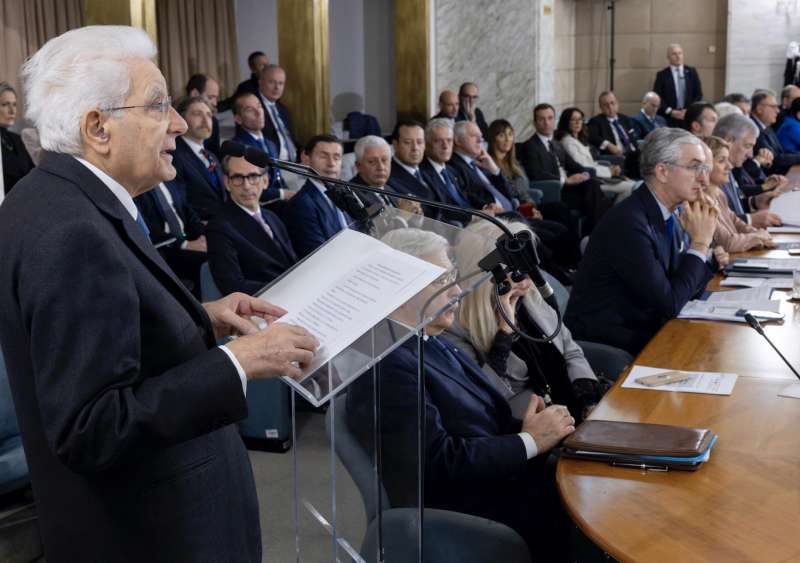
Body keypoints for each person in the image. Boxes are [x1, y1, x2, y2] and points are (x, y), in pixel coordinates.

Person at [0, 25, 318, 562]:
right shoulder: (72, 231)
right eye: (156, 106)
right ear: (97, 128)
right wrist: (237, 363)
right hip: (152, 534)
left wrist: (197, 317)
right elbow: (91, 426)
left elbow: (108, 330)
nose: (176, 123)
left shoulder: (54, 197)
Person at [346, 227, 576, 560]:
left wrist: (531, 430)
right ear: (399, 288)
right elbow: (437, 463)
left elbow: (481, 409)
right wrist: (530, 442)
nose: (457, 290)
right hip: (468, 503)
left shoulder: (430, 339)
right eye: (441, 281)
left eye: (453, 276)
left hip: (497, 473)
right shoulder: (388, 364)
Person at [565, 128, 717, 355]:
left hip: (648, 329)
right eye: (695, 167)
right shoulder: (629, 223)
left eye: (704, 168)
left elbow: (682, 290)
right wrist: (700, 245)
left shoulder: (667, 212)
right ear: (663, 172)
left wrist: (706, 254)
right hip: (612, 344)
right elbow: (670, 303)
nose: (704, 179)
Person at [449, 219, 604, 420]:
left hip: (572, 404)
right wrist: (504, 334)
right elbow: (481, 397)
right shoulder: (456, 326)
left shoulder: (530, 298)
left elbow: (570, 349)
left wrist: (588, 400)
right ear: (488, 279)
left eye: (529, 271)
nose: (527, 283)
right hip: (530, 422)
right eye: (517, 275)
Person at [206, 154, 297, 295]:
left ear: (265, 181)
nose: (246, 186)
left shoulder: (273, 217)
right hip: (264, 303)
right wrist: (287, 289)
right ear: (227, 183)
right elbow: (232, 286)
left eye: (253, 176)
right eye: (237, 178)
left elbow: (292, 263)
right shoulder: (219, 228)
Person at [517, 103, 611, 233]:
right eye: (541, 119)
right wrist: (565, 180)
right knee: (594, 193)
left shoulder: (556, 143)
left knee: (593, 185)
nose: (546, 122)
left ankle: (595, 233)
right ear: (535, 122)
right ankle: (598, 233)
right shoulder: (530, 146)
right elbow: (536, 174)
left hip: (569, 189)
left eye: (550, 118)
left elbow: (573, 165)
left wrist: (584, 173)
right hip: (554, 191)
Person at [134, 178, 207, 298]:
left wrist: (202, 236)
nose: (169, 158)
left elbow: (189, 212)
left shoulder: (171, 182)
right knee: (207, 261)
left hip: (189, 238)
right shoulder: (139, 187)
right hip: (166, 248)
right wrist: (184, 244)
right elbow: (146, 227)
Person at [701, 136, 775, 252]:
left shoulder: (719, 193)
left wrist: (757, 233)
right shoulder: (700, 200)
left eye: (728, 160)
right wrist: (757, 237)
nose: (729, 166)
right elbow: (727, 243)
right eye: (721, 161)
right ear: (705, 166)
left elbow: (737, 223)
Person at [282, 134, 347, 258]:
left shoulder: (345, 195)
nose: (331, 163)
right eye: (323, 156)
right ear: (305, 158)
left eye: (337, 157)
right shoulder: (301, 205)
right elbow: (317, 255)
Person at [712, 113, 783, 228]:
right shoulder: (712, 170)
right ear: (728, 140)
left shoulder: (730, 166)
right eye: (747, 146)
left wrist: (755, 202)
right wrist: (750, 220)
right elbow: (717, 221)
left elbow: (732, 209)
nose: (750, 155)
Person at [555, 107, 636, 203]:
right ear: (566, 122)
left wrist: (610, 168)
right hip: (589, 181)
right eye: (573, 120)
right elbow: (583, 167)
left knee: (632, 184)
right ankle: (613, 215)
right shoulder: (567, 142)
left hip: (597, 175)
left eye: (580, 119)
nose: (578, 122)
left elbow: (591, 163)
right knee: (630, 187)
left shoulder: (578, 139)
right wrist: (609, 172)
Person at [171, 96, 226, 220]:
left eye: (209, 115)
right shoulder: (174, 156)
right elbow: (180, 202)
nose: (205, 120)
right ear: (182, 119)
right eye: (197, 114)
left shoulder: (211, 156)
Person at [229, 91, 289, 200]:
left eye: (259, 106)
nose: (258, 112)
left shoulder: (271, 143)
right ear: (238, 119)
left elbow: (278, 178)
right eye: (250, 109)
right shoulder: (238, 148)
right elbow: (250, 187)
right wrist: (283, 194)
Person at [350, 134, 423, 218]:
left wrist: (415, 216)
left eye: (384, 160)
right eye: (372, 161)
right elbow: (372, 229)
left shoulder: (389, 189)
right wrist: (403, 216)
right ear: (358, 166)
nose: (380, 167)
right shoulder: (353, 194)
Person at [418, 117, 472, 226]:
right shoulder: (422, 173)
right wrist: (475, 215)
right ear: (427, 144)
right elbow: (441, 212)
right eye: (439, 141)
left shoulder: (453, 170)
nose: (445, 146)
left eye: (449, 140)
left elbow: (466, 199)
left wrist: (486, 208)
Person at [387, 119, 441, 218]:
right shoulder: (387, 175)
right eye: (408, 142)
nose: (415, 148)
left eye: (420, 142)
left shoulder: (427, 168)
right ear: (395, 145)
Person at [587, 91, 640, 177]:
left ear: (617, 103)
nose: (610, 107)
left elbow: (633, 139)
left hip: (634, 153)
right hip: (619, 156)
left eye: (612, 103)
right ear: (601, 107)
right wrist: (608, 144)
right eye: (606, 105)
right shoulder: (596, 121)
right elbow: (592, 136)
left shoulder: (625, 119)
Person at [749, 90, 800, 175]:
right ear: (759, 109)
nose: (778, 111)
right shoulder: (753, 129)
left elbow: (782, 152)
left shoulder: (767, 127)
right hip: (767, 179)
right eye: (773, 107)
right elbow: (775, 160)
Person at [653, 43, 704, 125]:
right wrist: (670, 111)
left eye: (680, 53)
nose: (678, 56)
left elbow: (699, 95)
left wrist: (688, 110)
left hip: (688, 116)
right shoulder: (662, 75)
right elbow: (657, 97)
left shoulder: (691, 72)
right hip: (668, 118)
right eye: (674, 54)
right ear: (668, 57)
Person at [0, 81, 35, 200]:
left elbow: (32, 174)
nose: (12, 111)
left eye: (14, 105)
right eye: (5, 104)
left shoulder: (17, 139)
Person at [257, 64, 297, 163]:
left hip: (295, 163)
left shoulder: (283, 109)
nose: (277, 87)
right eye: (272, 82)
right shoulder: (255, 107)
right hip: (274, 164)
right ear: (260, 83)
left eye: (281, 83)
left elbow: (290, 139)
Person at [185, 73, 221, 157]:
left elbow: (215, 156)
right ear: (195, 94)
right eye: (210, 97)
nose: (215, 103)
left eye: (216, 98)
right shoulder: (176, 122)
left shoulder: (213, 121)